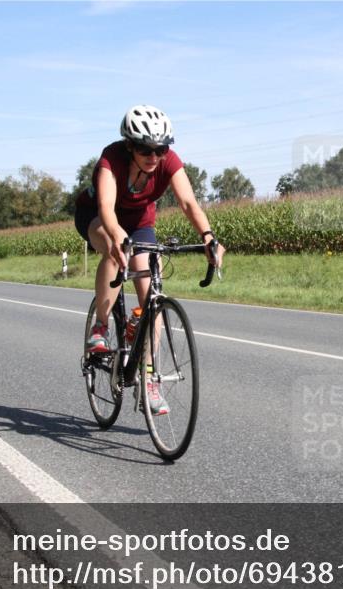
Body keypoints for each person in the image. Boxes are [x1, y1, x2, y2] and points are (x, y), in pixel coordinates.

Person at [75, 104, 224, 415]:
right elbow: (106, 208)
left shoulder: (169, 162)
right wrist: (118, 237)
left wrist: (209, 237)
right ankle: (100, 327)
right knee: (116, 249)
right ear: (130, 145)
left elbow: (188, 202)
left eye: (161, 149)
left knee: (151, 297)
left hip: (140, 222)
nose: (154, 156)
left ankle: (148, 378)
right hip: (99, 217)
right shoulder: (112, 159)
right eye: (145, 149)